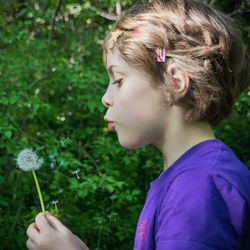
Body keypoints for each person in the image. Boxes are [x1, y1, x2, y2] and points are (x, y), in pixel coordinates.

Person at [26, 0, 250, 249]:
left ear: (174, 81)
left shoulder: (198, 188)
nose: (105, 98)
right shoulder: (189, 178)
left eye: (118, 80)